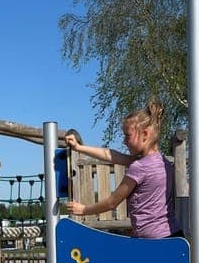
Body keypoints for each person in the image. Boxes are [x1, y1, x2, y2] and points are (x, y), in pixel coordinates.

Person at [65, 102, 181, 239]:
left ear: (144, 134)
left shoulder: (139, 167)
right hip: (172, 235)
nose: (124, 141)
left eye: (127, 136)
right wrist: (79, 148)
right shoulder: (162, 162)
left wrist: (84, 209)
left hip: (152, 241)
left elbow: (112, 202)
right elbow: (110, 155)